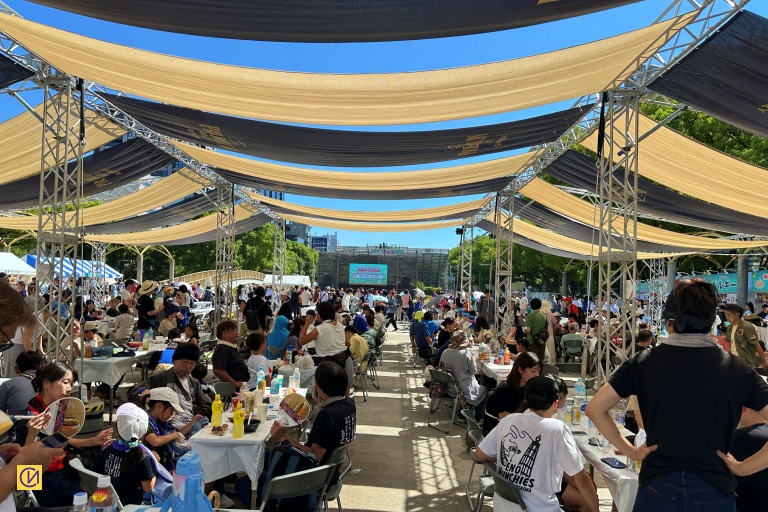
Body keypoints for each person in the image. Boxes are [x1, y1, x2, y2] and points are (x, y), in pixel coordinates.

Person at [586, 278, 768, 511]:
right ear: (712, 320)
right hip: (714, 487)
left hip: (658, 484)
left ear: (669, 322)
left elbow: (595, 409)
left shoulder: (644, 362)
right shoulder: (737, 369)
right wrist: (744, 467)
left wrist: (632, 451)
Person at [475, 376, 599, 512]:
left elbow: (479, 454)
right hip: (540, 508)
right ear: (555, 403)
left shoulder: (508, 420)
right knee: (587, 501)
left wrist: (509, 458)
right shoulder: (557, 429)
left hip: (503, 507)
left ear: (526, 400)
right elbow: (582, 481)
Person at [25, 362, 113, 507]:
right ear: (46, 383)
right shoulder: (29, 416)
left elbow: (61, 439)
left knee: (107, 485)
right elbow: (23, 470)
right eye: (65, 382)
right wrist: (31, 435)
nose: (70, 388)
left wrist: (92, 441)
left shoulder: (57, 408)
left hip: (64, 469)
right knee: (101, 497)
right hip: (45, 479)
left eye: (71, 383)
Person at [269, 361, 356, 464]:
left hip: (311, 470)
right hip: (330, 467)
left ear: (318, 388)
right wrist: (320, 404)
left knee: (264, 458)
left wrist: (284, 437)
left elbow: (315, 457)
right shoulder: (349, 403)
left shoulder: (326, 416)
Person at [147, 343, 211, 436]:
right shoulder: (160, 378)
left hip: (192, 424)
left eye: (192, 363)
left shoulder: (194, 382)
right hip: (169, 427)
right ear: (174, 360)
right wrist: (144, 393)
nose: (188, 367)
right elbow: (134, 392)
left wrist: (199, 413)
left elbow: (206, 404)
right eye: (184, 362)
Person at [100, 403, 156, 505]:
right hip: (130, 504)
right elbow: (148, 488)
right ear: (143, 432)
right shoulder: (141, 457)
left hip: (107, 501)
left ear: (117, 428)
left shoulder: (106, 450)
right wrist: (154, 470)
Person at [483, 352, 542, 435]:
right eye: (533, 371)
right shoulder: (505, 390)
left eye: (539, 371)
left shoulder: (526, 387)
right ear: (520, 369)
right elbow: (506, 423)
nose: (537, 375)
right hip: (495, 434)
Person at [298, 301, 353, 389]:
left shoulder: (320, 328)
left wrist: (307, 323)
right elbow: (348, 344)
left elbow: (301, 341)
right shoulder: (339, 325)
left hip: (329, 365)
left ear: (320, 314)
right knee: (344, 388)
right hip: (346, 360)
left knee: (328, 390)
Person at [439, 330, 487, 421]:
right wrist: (473, 361)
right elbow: (473, 372)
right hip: (463, 389)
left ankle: (463, 411)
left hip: (449, 388)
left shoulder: (445, 352)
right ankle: (478, 417)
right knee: (484, 391)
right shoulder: (465, 353)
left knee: (472, 385)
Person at [141, 387, 187, 472]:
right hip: (148, 467)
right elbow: (155, 441)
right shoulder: (144, 420)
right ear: (159, 406)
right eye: (171, 410)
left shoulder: (161, 422)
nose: (172, 414)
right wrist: (174, 435)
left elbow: (178, 433)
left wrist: (194, 421)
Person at [724, 304, 767, 369]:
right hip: (733, 361)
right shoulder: (729, 327)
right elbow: (729, 344)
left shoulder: (746, 327)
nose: (727, 317)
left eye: (729, 315)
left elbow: (756, 345)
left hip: (746, 361)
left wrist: (764, 361)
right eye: (725, 314)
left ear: (737, 315)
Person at [0, 350, 42, 416]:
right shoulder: (51, 383)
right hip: (48, 421)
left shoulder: (7, 385)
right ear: (42, 367)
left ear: (16, 369)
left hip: (19, 422)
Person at [212, 319, 250, 390]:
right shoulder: (223, 349)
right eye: (233, 330)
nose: (237, 333)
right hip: (233, 390)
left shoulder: (230, 348)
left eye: (236, 330)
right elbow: (218, 370)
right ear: (224, 333)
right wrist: (234, 383)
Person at [525, 298, 548, 362]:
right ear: (540, 305)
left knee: (531, 361)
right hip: (542, 340)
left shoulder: (530, 317)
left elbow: (528, 330)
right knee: (540, 361)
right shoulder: (543, 316)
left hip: (532, 341)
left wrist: (524, 329)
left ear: (531, 306)